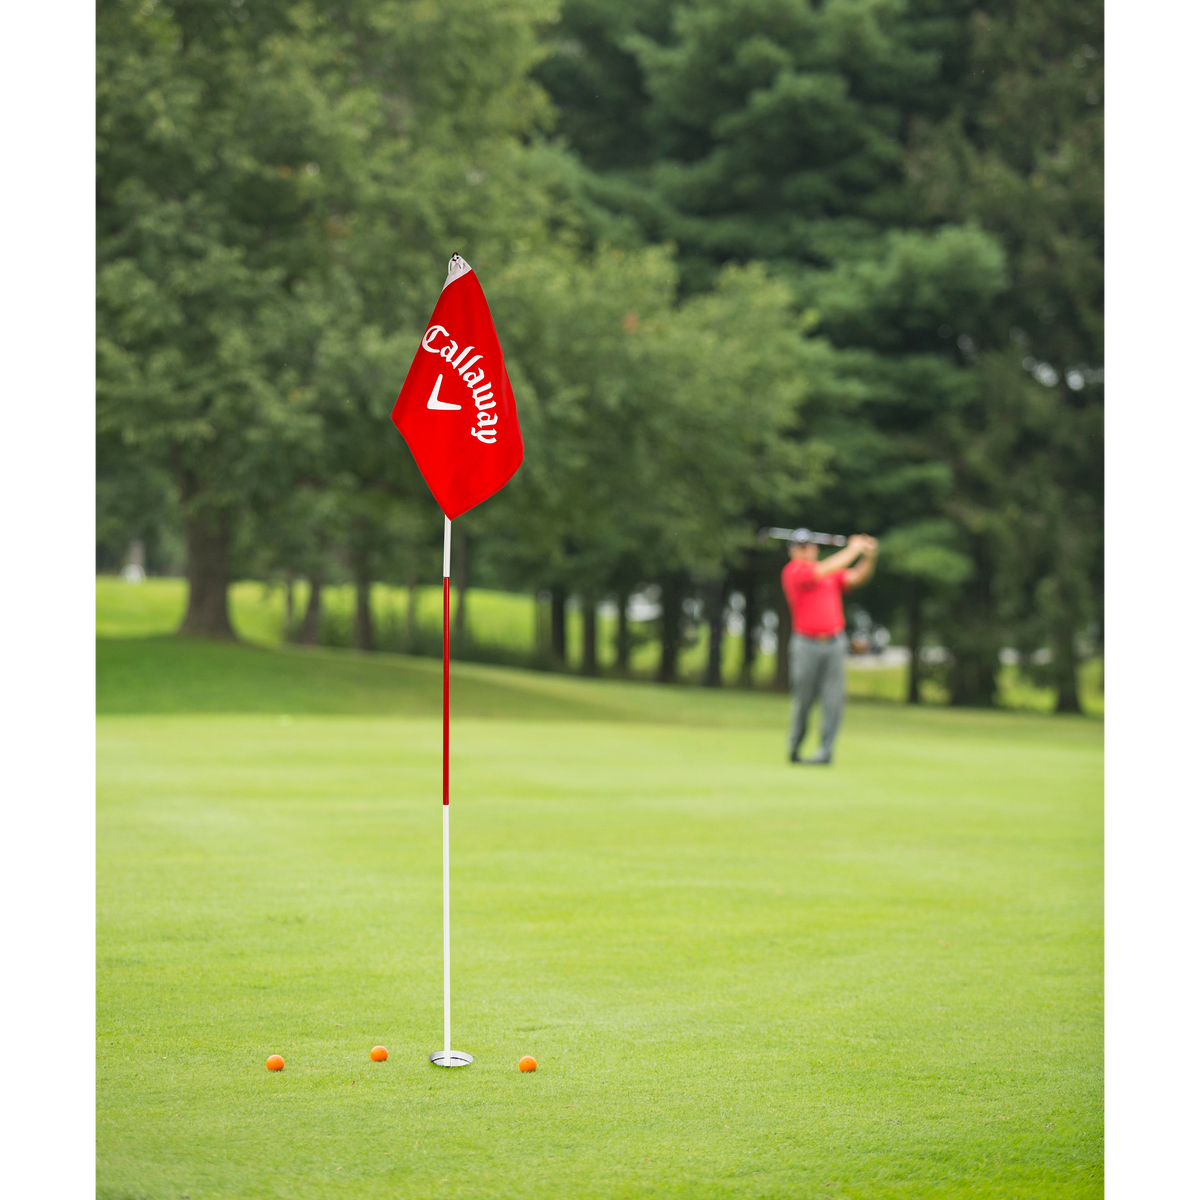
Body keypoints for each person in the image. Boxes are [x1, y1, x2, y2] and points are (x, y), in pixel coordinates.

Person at [781, 530, 879, 764]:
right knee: (804, 699)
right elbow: (823, 569)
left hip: (834, 643)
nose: (806, 550)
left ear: (815, 548)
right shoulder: (794, 571)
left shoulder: (829, 572)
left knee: (833, 700)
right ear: (792, 551)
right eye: (800, 546)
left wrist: (869, 556)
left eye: (809, 546)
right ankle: (795, 746)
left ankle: (826, 751)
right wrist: (854, 549)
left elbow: (856, 577)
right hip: (806, 643)